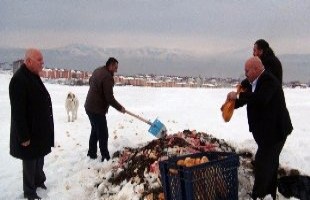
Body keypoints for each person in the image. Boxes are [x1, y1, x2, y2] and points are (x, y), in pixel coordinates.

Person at [226, 56, 293, 199]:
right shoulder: (252, 82)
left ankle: (258, 195)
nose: (245, 74)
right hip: (266, 133)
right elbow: (247, 98)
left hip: (276, 132)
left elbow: (260, 99)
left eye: (247, 71)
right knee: (271, 164)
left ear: (257, 69)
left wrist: (238, 97)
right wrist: (232, 104)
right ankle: (269, 194)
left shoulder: (269, 80)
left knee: (263, 163)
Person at [9, 48, 54, 200]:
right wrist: (23, 136)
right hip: (28, 131)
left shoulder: (33, 75)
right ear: (28, 61)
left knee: (39, 156)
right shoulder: (19, 80)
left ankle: (39, 181)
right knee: (29, 161)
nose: (43, 63)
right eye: (39, 60)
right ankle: (29, 192)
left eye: (42, 60)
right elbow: (18, 112)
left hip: (38, 129)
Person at [85, 57, 125, 162]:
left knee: (95, 130)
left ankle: (92, 153)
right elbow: (109, 98)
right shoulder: (107, 77)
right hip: (96, 110)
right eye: (115, 67)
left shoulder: (98, 70)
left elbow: (90, 82)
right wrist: (120, 108)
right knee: (103, 133)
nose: (116, 70)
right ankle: (105, 157)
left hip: (89, 107)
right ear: (110, 65)